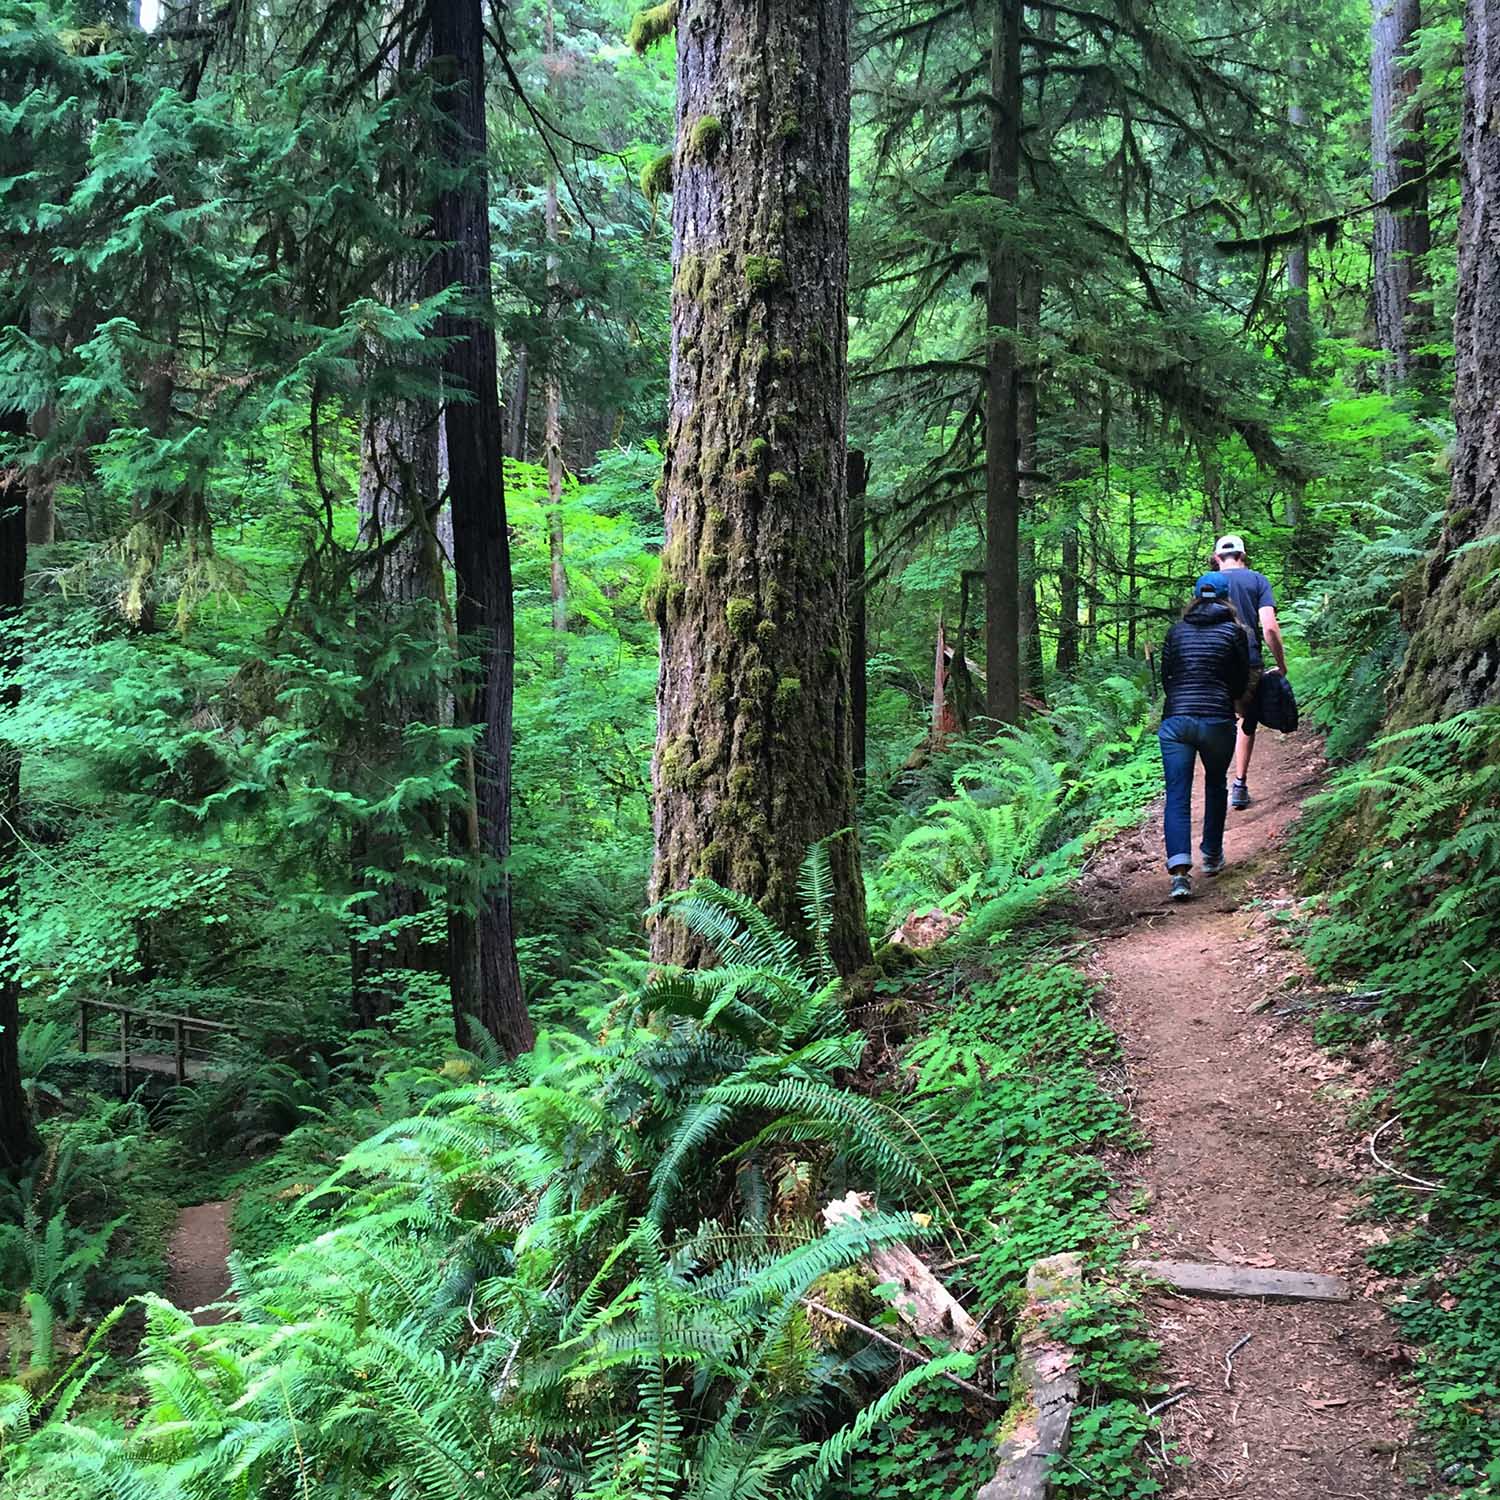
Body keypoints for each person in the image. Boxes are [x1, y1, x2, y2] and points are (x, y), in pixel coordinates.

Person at [1158, 572, 1251, 900]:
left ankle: (1180, 874)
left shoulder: (1176, 631)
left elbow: (1166, 677)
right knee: (1215, 783)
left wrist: (1181, 701)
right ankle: (1211, 855)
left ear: (1195, 597)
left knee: (1177, 795)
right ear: (1227, 599)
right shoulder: (1235, 632)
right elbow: (1240, 679)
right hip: (1216, 719)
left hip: (1176, 721)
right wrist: (1229, 700)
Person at [1211, 533, 1287, 809]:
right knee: (1245, 721)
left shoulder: (1207, 585)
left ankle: (1215, 784)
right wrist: (1281, 664)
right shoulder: (1257, 580)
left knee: (1218, 721)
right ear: (1242, 556)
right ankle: (1239, 785)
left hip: (1213, 663)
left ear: (1216, 558)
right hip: (1249, 662)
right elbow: (1268, 626)